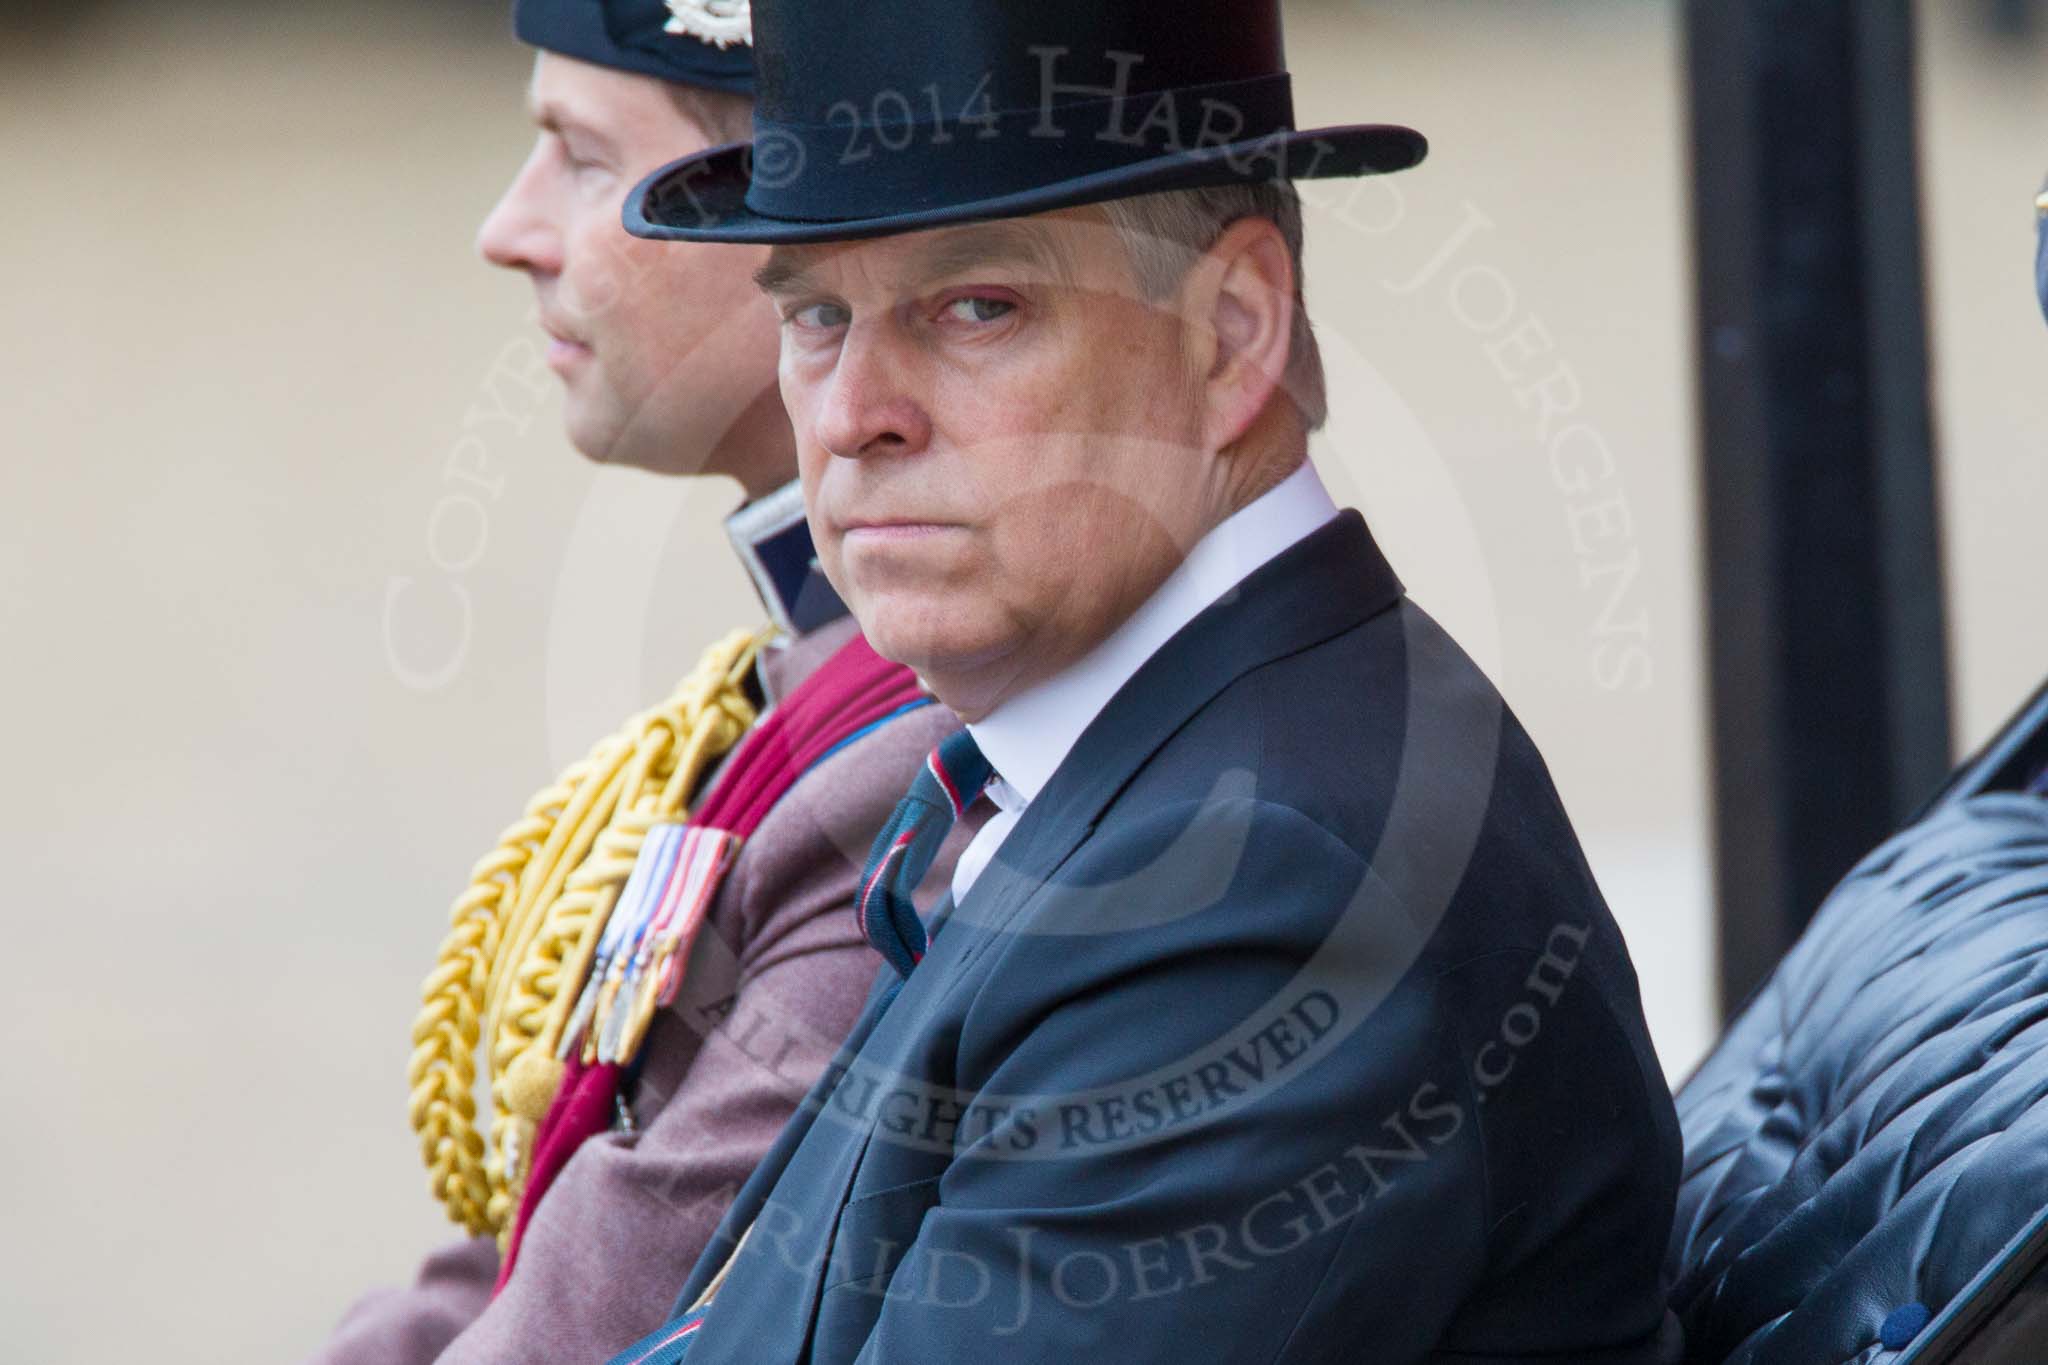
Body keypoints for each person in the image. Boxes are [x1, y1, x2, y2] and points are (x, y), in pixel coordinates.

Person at [605, 1, 1685, 1361]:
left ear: (1232, 334)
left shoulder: (1257, 892)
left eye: (976, 306)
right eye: (817, 313)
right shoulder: (1173, 765)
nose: (850, 411)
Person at [307, 1, 970, 1360]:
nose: (512, 227)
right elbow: (537, 1213)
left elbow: (592, 1320)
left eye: (588, 160)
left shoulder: (923, 751)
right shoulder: (819, 687)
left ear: (790, 216)